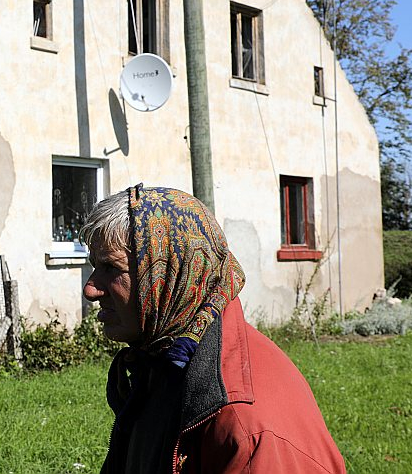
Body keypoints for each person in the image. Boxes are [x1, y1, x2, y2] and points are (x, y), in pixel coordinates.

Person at [82, 185, 345, 473]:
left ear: (171, 272)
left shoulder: (247, 426)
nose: (90, 289)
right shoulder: (166, 357)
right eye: (95, 266)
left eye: (111, 268)